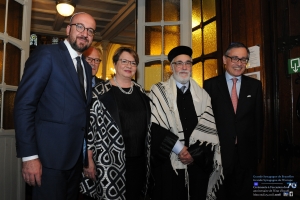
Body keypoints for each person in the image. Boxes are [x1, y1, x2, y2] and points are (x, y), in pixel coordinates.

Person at [14, 12, 96, 200]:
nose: (85, 33)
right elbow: (24, 105)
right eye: (80, 27)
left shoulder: (86, 66)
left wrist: (85, 157)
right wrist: (29, 156)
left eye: (90, 30)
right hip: (47, 160)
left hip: (74, 161)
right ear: (68, 29)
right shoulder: (46, 55)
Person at [149, 46, 222, 200]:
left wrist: (192, 154)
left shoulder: (203, 95)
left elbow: (209, 130)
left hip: (197, 162)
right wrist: (180, 149)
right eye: (179, 63)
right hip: (170, 164)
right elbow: (155, 127)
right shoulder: (158, 91)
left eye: (188, 63)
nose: (184, 67)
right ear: (171, 67)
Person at [80, 47, 151, 200]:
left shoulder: (141, 92)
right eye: (124, 61)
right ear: (115, 63)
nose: (129, 66)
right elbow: (90, 130)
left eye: (133, 63)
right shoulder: (99, 92)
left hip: (139, 162)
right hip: (109, 162)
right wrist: (88, 161)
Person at [203, 42, 264, 199]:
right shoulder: (210, 85)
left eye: (244, 59)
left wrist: (257, 153)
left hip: (246, 156)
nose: (239, 63)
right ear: (225, 60)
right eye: (235, 58)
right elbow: (205, 122)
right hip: (219, 155)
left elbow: (259, 122)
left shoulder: (255, 86)